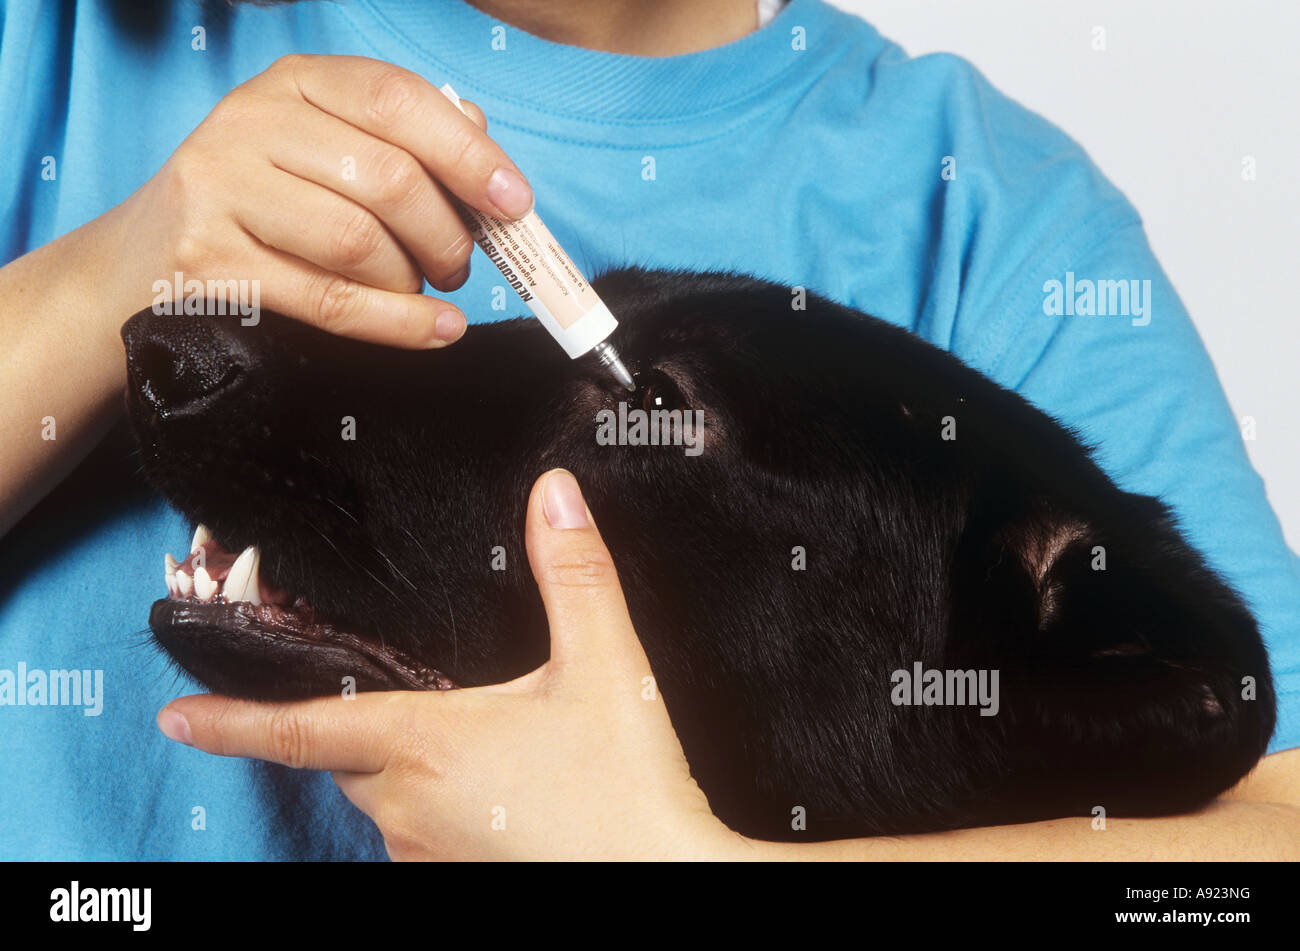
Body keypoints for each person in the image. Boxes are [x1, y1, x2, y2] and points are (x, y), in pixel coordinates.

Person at [1, 0, 1296, 860]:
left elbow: (1263, 826)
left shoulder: (987, 212)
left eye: (654, 409)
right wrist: (104, 274)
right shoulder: (57, 43)